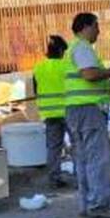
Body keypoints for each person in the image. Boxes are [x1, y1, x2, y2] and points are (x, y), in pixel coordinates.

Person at [64, 12, 110, 218]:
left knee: (83, 158)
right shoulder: (82, 48)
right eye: (96, 26)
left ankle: (87, 203)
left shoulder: (74, 48)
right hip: (88, 111)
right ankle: (99, 205)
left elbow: (91, 82)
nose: (99, 31)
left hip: (76, 110)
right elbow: (89, 75)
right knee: (97, 158)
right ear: (85, 27)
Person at [32, 35, 72, 187]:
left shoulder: (38, 67)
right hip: (68, 111)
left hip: (49, 114)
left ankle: (54, 179)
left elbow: (36, 91)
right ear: (61, 51)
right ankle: (82, 176)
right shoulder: (66, 66)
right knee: (77, 144)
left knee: (53, 147)